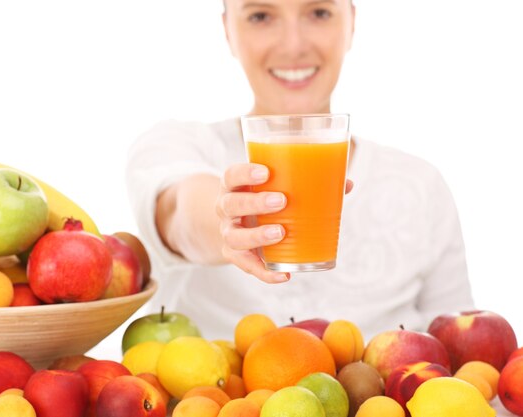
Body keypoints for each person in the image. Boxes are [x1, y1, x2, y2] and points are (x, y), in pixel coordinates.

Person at [125, 0, 474, 341]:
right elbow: (179, 213)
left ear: (351, 22)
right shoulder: (178, 145)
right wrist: (225, 220)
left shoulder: (422, 185)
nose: (293, 46)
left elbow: (464, 352)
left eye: (319, 12)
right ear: (228, 31)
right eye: (261, 16)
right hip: (215, 399)